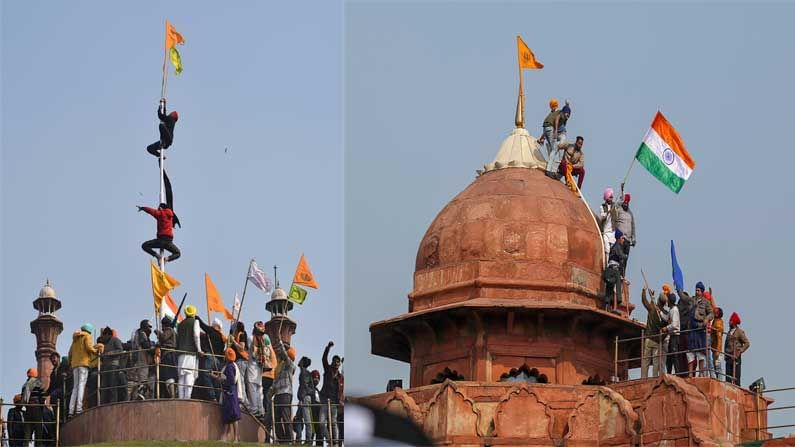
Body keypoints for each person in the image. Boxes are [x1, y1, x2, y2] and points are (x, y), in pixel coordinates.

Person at [67, 324, 102, 416]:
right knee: (81, 386)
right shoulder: (87, 336)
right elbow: (89, 347)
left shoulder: (75, 339)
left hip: (74, 365)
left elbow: (70, 353)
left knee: (75, 387)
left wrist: (70, 364)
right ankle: (79, 408)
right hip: (83, 364)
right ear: (89, 331)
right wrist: (97, 351)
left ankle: (70, 411)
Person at [272, 338, 297, 443]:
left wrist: (280, 343)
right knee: (277, 418)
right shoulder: (280, 367)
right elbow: (275, 382)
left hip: (286, 393)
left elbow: (284, 355)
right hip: (278, 394)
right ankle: (282, 439)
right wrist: (270, 394)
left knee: (286, 417)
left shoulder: (291, 365)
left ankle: (290, 439)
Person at [318, 341, 343, 446]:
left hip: (334, 402)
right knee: (321, 422)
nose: (336, 363)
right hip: (324, 400)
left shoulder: (341, 377)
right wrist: (328, 347)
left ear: (339, 364)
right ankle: (329, 440)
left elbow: (341, 391)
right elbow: (323, 359)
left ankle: (336, 443)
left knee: (333, 423)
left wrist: (341, 401)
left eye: (338, 362)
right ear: (332, 362)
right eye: (335, 361)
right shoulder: (328, 370)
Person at [176, 305, 203, 399]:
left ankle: (181, 398)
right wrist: (199, 350)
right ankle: (187, 398)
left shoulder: (180, 324)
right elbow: (196, 336)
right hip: (190, 354)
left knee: (181, 378)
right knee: (189, 376)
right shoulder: (195, 322)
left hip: (180, 355)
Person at [217, 348, 243, 443]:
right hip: (230, 393)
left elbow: (231, 381)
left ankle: (235, 437)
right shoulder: (231, 366)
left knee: (233, 416)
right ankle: (225, 437)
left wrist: (221, 380)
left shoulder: (230, 367)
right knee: (228, 415)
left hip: (230, 393)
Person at [198, 317, 227, 402]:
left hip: (211, 358)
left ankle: (212, 396)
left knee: (206, 374)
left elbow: (202, 325)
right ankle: (218, 398)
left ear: (215, 325)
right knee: (216, 379)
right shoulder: (222, 338)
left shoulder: (212, 331)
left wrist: (195, 316)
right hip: (219, 361)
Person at [246, 322, 270, 418]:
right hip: (260, 367)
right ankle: (261, 410)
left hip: (252, 365)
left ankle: (254, 409)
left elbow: (249, 352)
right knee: (259, 389)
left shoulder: (251, 338)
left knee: (252, 388)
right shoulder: (264, 341)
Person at [641, 287, 666, 378]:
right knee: (656, 362)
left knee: (646, 360)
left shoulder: (652, 308)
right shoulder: (664, 314)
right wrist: (661, 339)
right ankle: (655, 378)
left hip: (648, 338)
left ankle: (644, 378)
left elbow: (644, 301)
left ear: (658, 300)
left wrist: (644, 291)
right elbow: (666, 329)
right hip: (657, 340)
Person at [537, 98, 567, 175]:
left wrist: (541, 138)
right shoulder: (558, 113)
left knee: (552, 149)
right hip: (550, 128)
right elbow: (552, 125)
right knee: (554, 149)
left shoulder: (551, 114)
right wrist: (556, 131)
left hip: (545, 127)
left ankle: (551, 167)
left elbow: (546, 128)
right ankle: (551, 169)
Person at [660, 285, 683, 375]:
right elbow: (666, 318)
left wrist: (666, 328)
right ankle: (669, 373)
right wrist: (660, 312)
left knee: (674, 356)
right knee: (670, 357)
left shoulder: (674, 310)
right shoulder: (671, 310)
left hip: (675, 336)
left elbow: (674, 324)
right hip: (672, 336)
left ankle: (677, 373)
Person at [98, 327, 126, 403]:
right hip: (105, 366)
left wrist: (111, 353)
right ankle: (103, 402)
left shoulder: (115, 340)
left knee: (112, 384)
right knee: (104, 386)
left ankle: (113, 401)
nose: (103, 337)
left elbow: (120, 350)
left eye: (104, 335)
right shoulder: (105, 343)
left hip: (114, 365)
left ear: (108, 334)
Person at [129, 320, 154, 399]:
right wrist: (153, 348)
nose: (150, 329)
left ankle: (136, 395)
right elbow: (145, 345)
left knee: (139, 380)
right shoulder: (142, 333)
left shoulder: (137, 333)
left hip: (139, 360)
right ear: (144, 326)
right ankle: (140, 394)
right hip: (141, 360)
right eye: (149, 327)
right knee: (143, 378)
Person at [602, 230, 626, 311]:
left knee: (610, 287)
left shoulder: (614, 246)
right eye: (622, 238)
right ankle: (619, 300)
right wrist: (625, 256)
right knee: (618, 281)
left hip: (610, 269)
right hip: (614, 269)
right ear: (619, 238)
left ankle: (607, 303)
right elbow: (621, 256)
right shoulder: (617, 246)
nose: (623, 240)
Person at [614, 191, 636, 278]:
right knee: (620, 257)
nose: (626, 204)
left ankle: (622, 275)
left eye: (627, 202)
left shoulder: (630, 213)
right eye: (625, 202)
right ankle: (617, 274)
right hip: (620, 238)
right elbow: (614, 206)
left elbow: (633, 226)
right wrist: (621, 199)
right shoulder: (619, 210)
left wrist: (633, 238)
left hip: (628, 240)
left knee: (625, 258)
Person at [725, 312, 750, 386]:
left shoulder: (739, 332)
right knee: (728, 376)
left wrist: (740, 351)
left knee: (736, 375)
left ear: (734, 322)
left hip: (736, 356)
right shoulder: (729, 332)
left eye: (731, 321)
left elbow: (747, 343)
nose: (729, 322)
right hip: (728, 355)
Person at [228, 322, 249, 409]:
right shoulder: (238, 335)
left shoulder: (242, 334)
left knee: (241, 382)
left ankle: (244, 402)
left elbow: (241, 347)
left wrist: (233, 341)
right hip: (241, 361)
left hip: (241, 361)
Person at [296, 356, 314, 442]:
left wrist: (301, 399)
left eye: (300, 360)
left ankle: (308, 441)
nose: (298, 361)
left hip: (304, 398)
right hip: (305, 397)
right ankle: (298, 439)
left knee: (307, 420)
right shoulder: (305, 373)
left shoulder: (304, 373)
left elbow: (304, 386)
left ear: (302, 363)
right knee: (298, 418)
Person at [598, 188, 618, 262]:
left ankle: (610, 263)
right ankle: (606, 264)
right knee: (607, 249)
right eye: (610, 197)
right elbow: (602, 216)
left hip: (612, 231)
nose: (611, 198)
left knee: (613, 250)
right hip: (605, 231)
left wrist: (622, 190)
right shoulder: (602, 207)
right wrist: (608, 213)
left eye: (612, 197)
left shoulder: (614, 206)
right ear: (607, 197)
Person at [711, 307, 725, 380]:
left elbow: (719, 338)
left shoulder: (719, 322)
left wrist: (718, 351)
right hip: (714, 348)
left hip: (717, 349)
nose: (714, 313)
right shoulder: (715, 321)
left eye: (715, 312)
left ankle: (720, 380)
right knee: (714, 365)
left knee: (717, 366)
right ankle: (717, 379)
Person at [309, 370, 322, 446]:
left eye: (318, 379)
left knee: (319, 430)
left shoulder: (318, 390)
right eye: (314, 378)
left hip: (319, 411)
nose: (316, 380)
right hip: (312, 410)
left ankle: (319, 445)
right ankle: (309, 444)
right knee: (312, 429)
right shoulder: (309, 389)